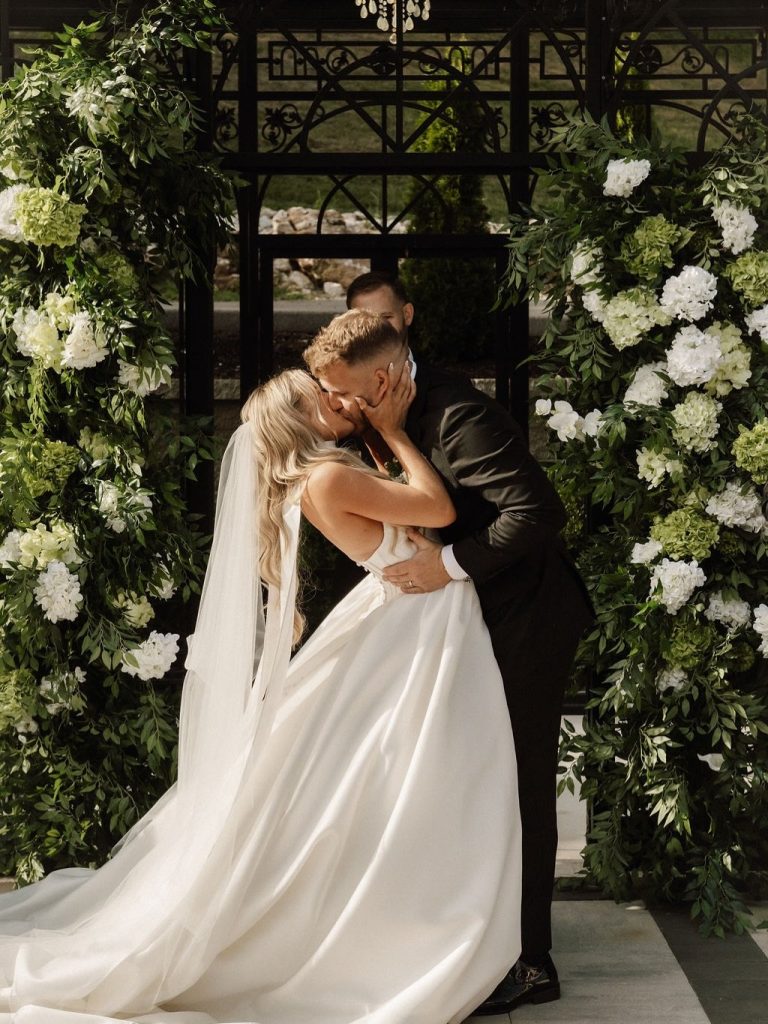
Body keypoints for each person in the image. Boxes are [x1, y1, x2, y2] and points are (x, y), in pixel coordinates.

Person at [0, 359, 521, 1024]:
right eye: (319, 395)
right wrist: (393, 431)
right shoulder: (328, 478)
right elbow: (439, 507)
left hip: (411, 608)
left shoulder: (316, 476)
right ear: (299, 418)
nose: (336, 399)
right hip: (416, 616)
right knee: (418, 767)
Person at [304, 273, 595, 1015]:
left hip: (524, 613)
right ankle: (474, 934)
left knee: (521, 780)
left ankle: (531, 963)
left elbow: (537, 512)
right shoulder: (381, 411)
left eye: (344, 394)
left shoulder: (457, 414)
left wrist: (449, 565)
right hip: (463, 622)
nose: (338, 406)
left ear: (381, 380)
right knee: (474, 778)